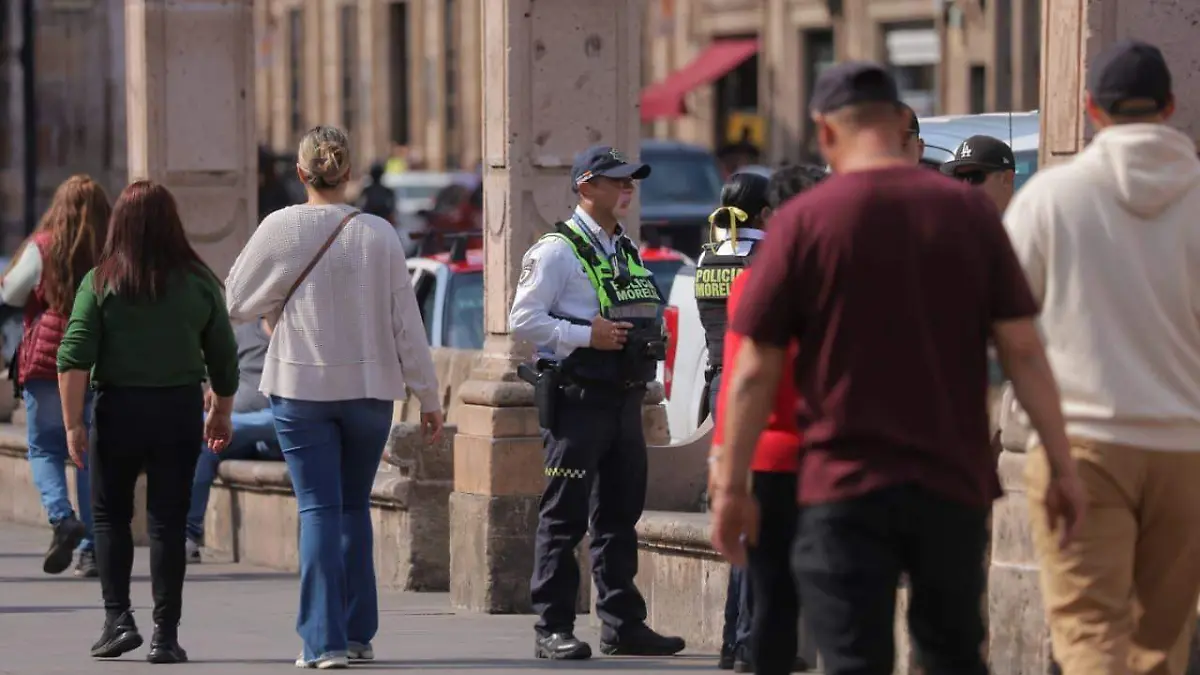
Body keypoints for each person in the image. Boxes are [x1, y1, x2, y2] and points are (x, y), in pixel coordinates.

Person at [709, 61, 1086, 675]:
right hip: (951, 483)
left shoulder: (803, 224)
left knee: (855, 656)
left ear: (827, 133)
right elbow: (1023, 352)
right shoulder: (969, 217)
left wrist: (730, 487)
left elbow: (751, 372)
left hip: (842, 486)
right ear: (900, 127)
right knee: (951, 655)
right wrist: (1063, 463)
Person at [1004, 39, 1200, 675]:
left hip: (1080, 443)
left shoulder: (1051, 199)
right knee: (1158, 648)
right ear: (1171, 106)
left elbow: (1004, 325)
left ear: (1091, 109)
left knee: (1090, 636)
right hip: (1187, 449)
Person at [225, 124, 443, 669]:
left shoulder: (281, 227)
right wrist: (430, 396)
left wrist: (278, 305)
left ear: (301, 173)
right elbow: (406, 325)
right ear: (348, 173)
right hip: (370, 393)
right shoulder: (380, 234)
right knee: (353, 509)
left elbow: (235, 300)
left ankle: (321, 644)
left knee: (318, 510)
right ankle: (356, 632)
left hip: (301, 388)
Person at [510, 144, 685, 661]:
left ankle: (622, 624)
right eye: (617, 181)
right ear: (586, 186)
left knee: (618, 515)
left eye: (630, 181)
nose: (627, 188)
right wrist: (588, 335)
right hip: (577, 400)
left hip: (623, 398)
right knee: (564, 517)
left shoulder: (622, 246)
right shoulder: (555, 250)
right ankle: (552, 627)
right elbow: (523, 320)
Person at [57, 180, 239, 663]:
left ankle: (118, 619)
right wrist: (220, 411)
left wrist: (73, 424)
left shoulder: (100, 282)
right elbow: (223, 357)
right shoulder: (199, 280)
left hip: (118, 410)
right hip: (178, 410)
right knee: (167, 522)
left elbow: (73, 356)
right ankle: (165, 634)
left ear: (120, 225)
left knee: (110, 517)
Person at [711, 164, 827, 675]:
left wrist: (726, 472)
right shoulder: (838, 282)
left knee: (769, 593)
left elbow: (742, 381)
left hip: (765, 456)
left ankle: (740, 646)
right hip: (825, 459)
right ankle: (743, 644)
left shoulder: (735, 267)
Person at [0, 175, 109, 578]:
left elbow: (10, 295)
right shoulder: (111, 249)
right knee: (88, 453)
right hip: (98, 360)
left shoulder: (42, 246)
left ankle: (63, 518)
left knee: (45, 446)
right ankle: (91, 549)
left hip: (48, 360)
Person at [694, 170, 769, 671]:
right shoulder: (766, 257)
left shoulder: (708, 255)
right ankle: (746, 641)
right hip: (753, 392)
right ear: (765, 212)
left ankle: (731, 640)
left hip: (718, 384)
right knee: (755, 524)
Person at [185, 317, 282, 563]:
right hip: (238, 437)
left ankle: (208, 425)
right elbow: (221, 373)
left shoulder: (298, 337)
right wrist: (215, 393)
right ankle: (188, 535)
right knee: (205, 449)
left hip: (279, 434)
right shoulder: (243, 335)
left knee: (282, 417)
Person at [940, 135, 1017, 213]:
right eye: (960, 178)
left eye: (974, 176)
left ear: (1006, 178)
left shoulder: (1026, 221)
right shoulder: (957, 223)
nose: (965, 186)